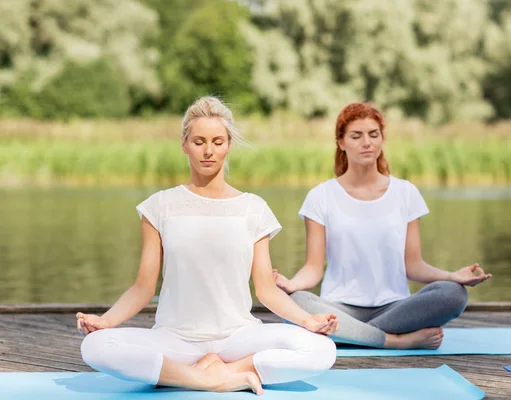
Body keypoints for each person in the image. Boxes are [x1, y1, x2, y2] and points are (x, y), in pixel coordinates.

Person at [76, 97, 338, 396]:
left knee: (321, 349)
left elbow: (265, 289)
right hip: (176, 339)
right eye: (199, 141)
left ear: (229, 145)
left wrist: (308, 320)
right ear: (185, 144)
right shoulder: (159, 206)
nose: (209, 150)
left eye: (217, 141)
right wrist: (105, 321)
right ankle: (210, 380)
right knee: (96, 347)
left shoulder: (253, 208)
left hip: (238, 337)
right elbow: (143, 288)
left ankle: (222, 371)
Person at [273, 102, 491, 350]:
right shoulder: (321, 196)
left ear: (381, 139)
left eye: (373, 135)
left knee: (454, 294)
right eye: (356, 136)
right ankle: (395, 340)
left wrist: (452, 276)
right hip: (339, 307)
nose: (366, 142)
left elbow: (414, 265)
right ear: (341, 143)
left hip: (396, 308)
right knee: (294, 301)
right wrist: (291, 285)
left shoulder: (405, 193)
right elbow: (313, 268)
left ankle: (351, 336)